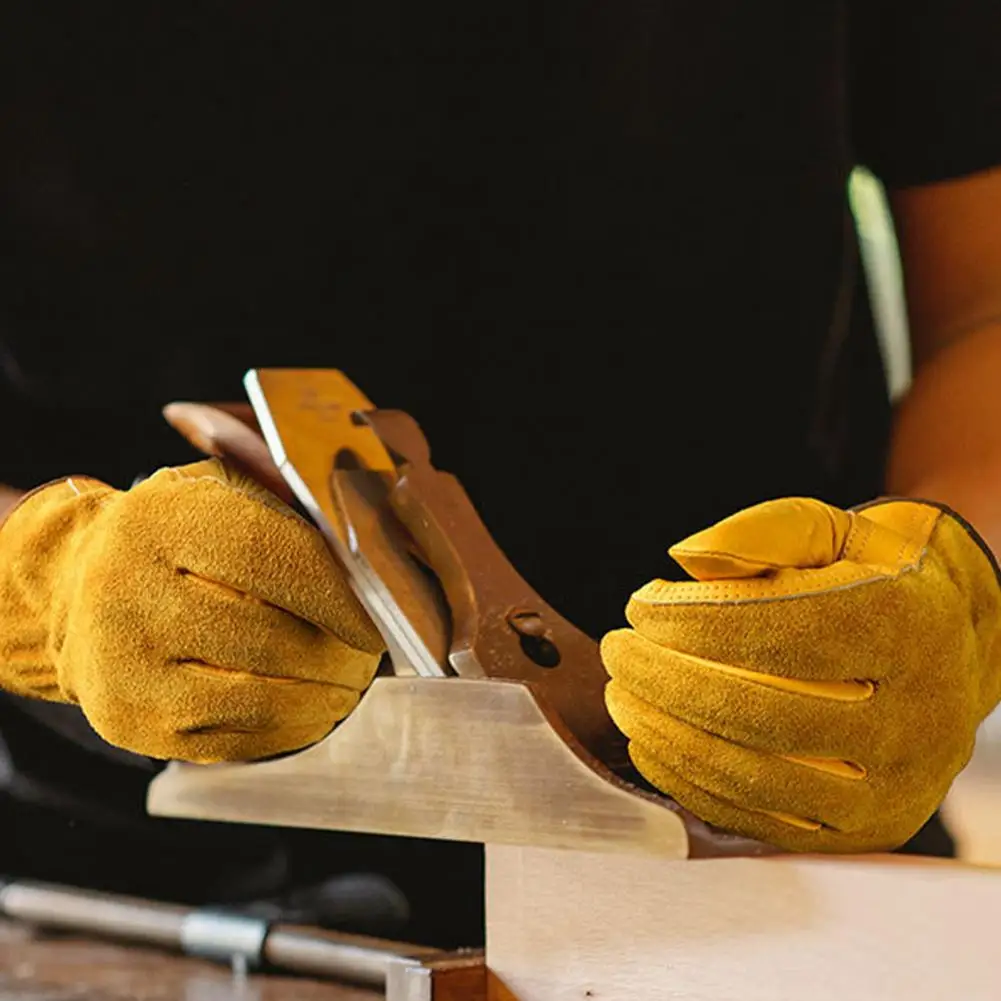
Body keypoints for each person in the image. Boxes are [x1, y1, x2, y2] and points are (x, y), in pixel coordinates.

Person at [0, 3, 1000, 941]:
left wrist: (952, 582)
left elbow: (979, 311)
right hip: (132, 893)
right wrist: (45, 582)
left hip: (790, 823)